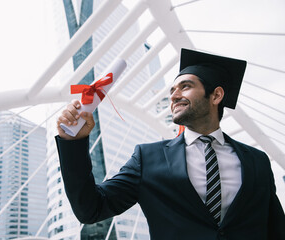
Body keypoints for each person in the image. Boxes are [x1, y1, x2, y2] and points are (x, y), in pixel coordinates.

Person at [55, 48, 285, 239]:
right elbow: (90, 208)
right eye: (172, 90)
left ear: (216, 96)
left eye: (185, 86)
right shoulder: (148, 158)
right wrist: (73, 143)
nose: (173, 96)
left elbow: (276, 229)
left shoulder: (257, 161)